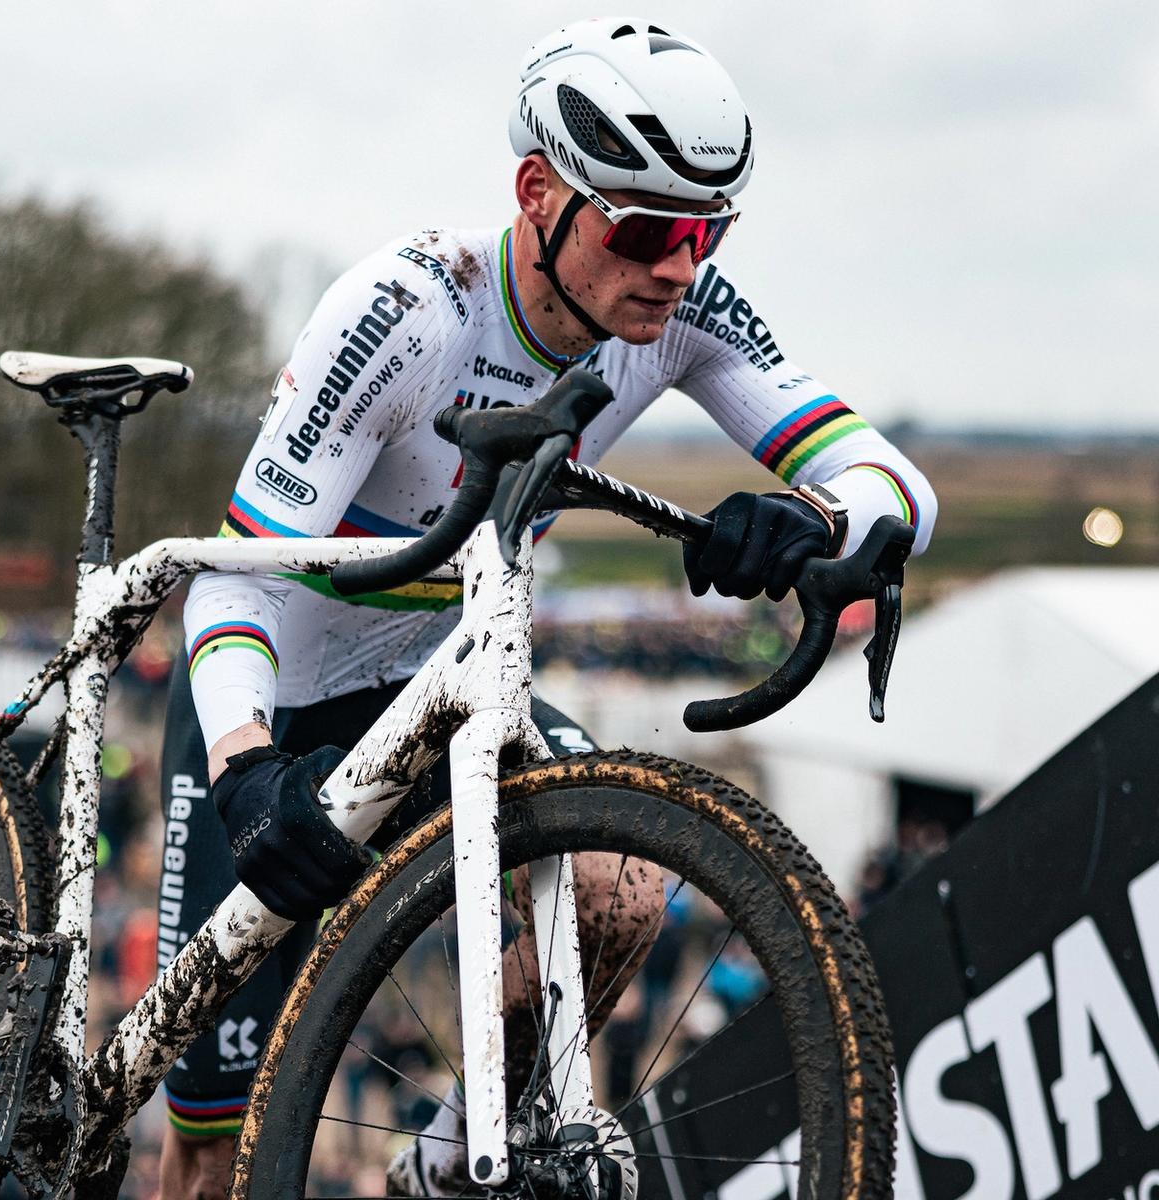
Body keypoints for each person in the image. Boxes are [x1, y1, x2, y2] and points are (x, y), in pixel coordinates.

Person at [155, 19, 936, 1197]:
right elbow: (236, 575)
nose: (678, 265)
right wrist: (247, 765)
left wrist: (824, 526)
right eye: (646, 229)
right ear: (538, 193)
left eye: (707, 230)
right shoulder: (408, 310)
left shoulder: (680, 315)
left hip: (429, 695)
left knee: (622, 889)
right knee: (210, 1145)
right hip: (275, 708)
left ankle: (443, 1168)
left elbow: (896, 488)